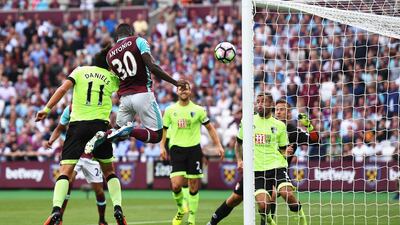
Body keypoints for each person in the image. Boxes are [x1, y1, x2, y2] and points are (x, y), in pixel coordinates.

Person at [36, 46, 128, 225]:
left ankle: (56, 211)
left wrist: (46, 109)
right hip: (100, 127)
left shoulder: (79, 71)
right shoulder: (112, 78)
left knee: (65, 172)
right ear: (109, 65)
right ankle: (118, 207)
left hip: (77, 126)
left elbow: (62, 90)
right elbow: (128, 91)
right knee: (109, 172)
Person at [207, 93, 307, 225]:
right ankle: (212, 221)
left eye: (263, 101)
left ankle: (291, 218)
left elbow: (283, 149)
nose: (259, 104)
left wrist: (286, 153)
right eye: (258, 101)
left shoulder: (282, 126)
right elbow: (238, 143)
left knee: (274, 195)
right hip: (254, 169)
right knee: (236, 198)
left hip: (276, 166)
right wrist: (239, 160)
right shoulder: (248, 121)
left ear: (271, 105)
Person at [85, 23, 185, 153]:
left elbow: (116, 79)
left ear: (117, 36)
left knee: (118, 133)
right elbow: (152, 66)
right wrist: (175, 82)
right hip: (143, 93)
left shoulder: (109, 55)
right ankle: (131, 130)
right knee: (156, 136)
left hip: (125, 98)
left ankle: (103, 134)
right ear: (131, 32)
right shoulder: (138, 41)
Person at [160, 81, 224, 225]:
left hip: (194, 150)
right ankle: (182, 209)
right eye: (180, 88)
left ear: (190, 91)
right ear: (177, 91)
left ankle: (192, 219)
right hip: (176, 149)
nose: (183, 91)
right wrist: (162, 147)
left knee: (193, 185)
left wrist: (218, 145)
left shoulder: (199, 110)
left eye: (186, 88)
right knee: (176, 185)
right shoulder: (170, 110)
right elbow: (164, 129)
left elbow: (210, 128)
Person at [47, 105, 108, 225]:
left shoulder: (96, 105)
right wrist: (51, 140)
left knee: (99, 191)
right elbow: (60, 128)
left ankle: (102, 220)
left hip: (91, 156)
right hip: (75, 155)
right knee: (68, 182)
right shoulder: (69, 109)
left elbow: (108, 127)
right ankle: (59, 218)